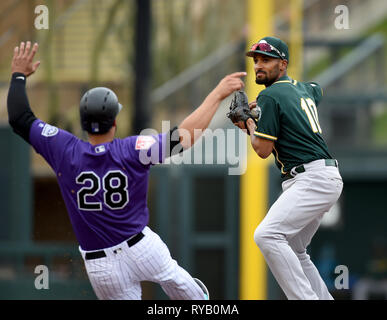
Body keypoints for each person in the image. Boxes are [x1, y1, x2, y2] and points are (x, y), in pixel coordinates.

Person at [7, 41, 246, 300]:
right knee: (195, 298)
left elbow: (19, 117)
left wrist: (18, 75)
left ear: (84, 123)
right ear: (115, 121)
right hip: (142, 248)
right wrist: (217, 94)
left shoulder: (64, 150)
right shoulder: (133, 149)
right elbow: (182, 139)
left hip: (100, 264)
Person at [234, 36, 344, 300]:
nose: (259, 65)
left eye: (267, 60)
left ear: (282, 64)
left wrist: (249, 123)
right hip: (322, 176)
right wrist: (260, 112)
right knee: (295, 249)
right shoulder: (301, 89)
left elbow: (262, 150)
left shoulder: (269, 96)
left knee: (267, 235)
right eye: (256, 60)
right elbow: (316, 89)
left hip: (311, 178)